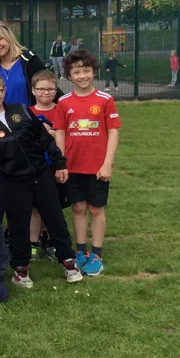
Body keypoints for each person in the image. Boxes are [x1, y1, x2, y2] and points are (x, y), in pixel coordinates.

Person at [0, 69, 83, 288]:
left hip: (41, 176)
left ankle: (69, 262)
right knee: (18, 226)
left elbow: (44, 138)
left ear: (4, 90)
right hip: (13, 182)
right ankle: (21, 269)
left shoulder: (21, 110)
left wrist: (59, 162)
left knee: (55, 219)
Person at [56, 50, 121, 277]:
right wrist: (61, 163)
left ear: (93, 72)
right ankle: (81, 251)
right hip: (73, 166)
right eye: (76, 72)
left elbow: (113, 133)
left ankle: (96, 255)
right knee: (78, 207)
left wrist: (107, 163)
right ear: (69, 75)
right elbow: (60, 133)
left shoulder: (105, 100)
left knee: (95, 209)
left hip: (97, 167)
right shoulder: (63, 102)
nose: (82, 76)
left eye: (86, 70)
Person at [28, 69, 68, 261]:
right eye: (41, 89)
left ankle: (52, 241)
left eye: (50, 89)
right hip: (35, 167)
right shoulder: (27, 112)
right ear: (33, 90)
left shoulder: (61, 110)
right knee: (35, 208)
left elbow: (66, 135)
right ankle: (33, 243)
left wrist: (51, 133)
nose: (46, 93)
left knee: (54, 207)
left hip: (55, 166)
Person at [0, 21, 49, 106]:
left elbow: (50, 88)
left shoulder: (30, 60)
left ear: (9, 38)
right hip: (0, 115)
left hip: (29, 114)